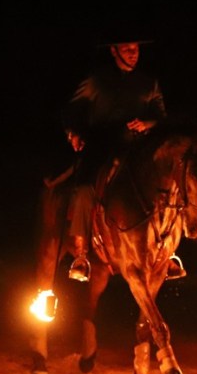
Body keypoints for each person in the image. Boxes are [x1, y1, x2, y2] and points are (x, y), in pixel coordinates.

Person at [60, 34, 185, 282]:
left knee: (171, 185)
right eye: (127, 49)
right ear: (114, 51)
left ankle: (170, 250)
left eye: (136, 49)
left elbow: (161, 118)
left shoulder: (149, 83)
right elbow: (71, 111)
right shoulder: (96, 80)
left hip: (138, 147)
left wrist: (148, 123)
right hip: (101, 145)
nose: (133, 53)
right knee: (84, 189)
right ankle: (82, 255)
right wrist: (73, 133)